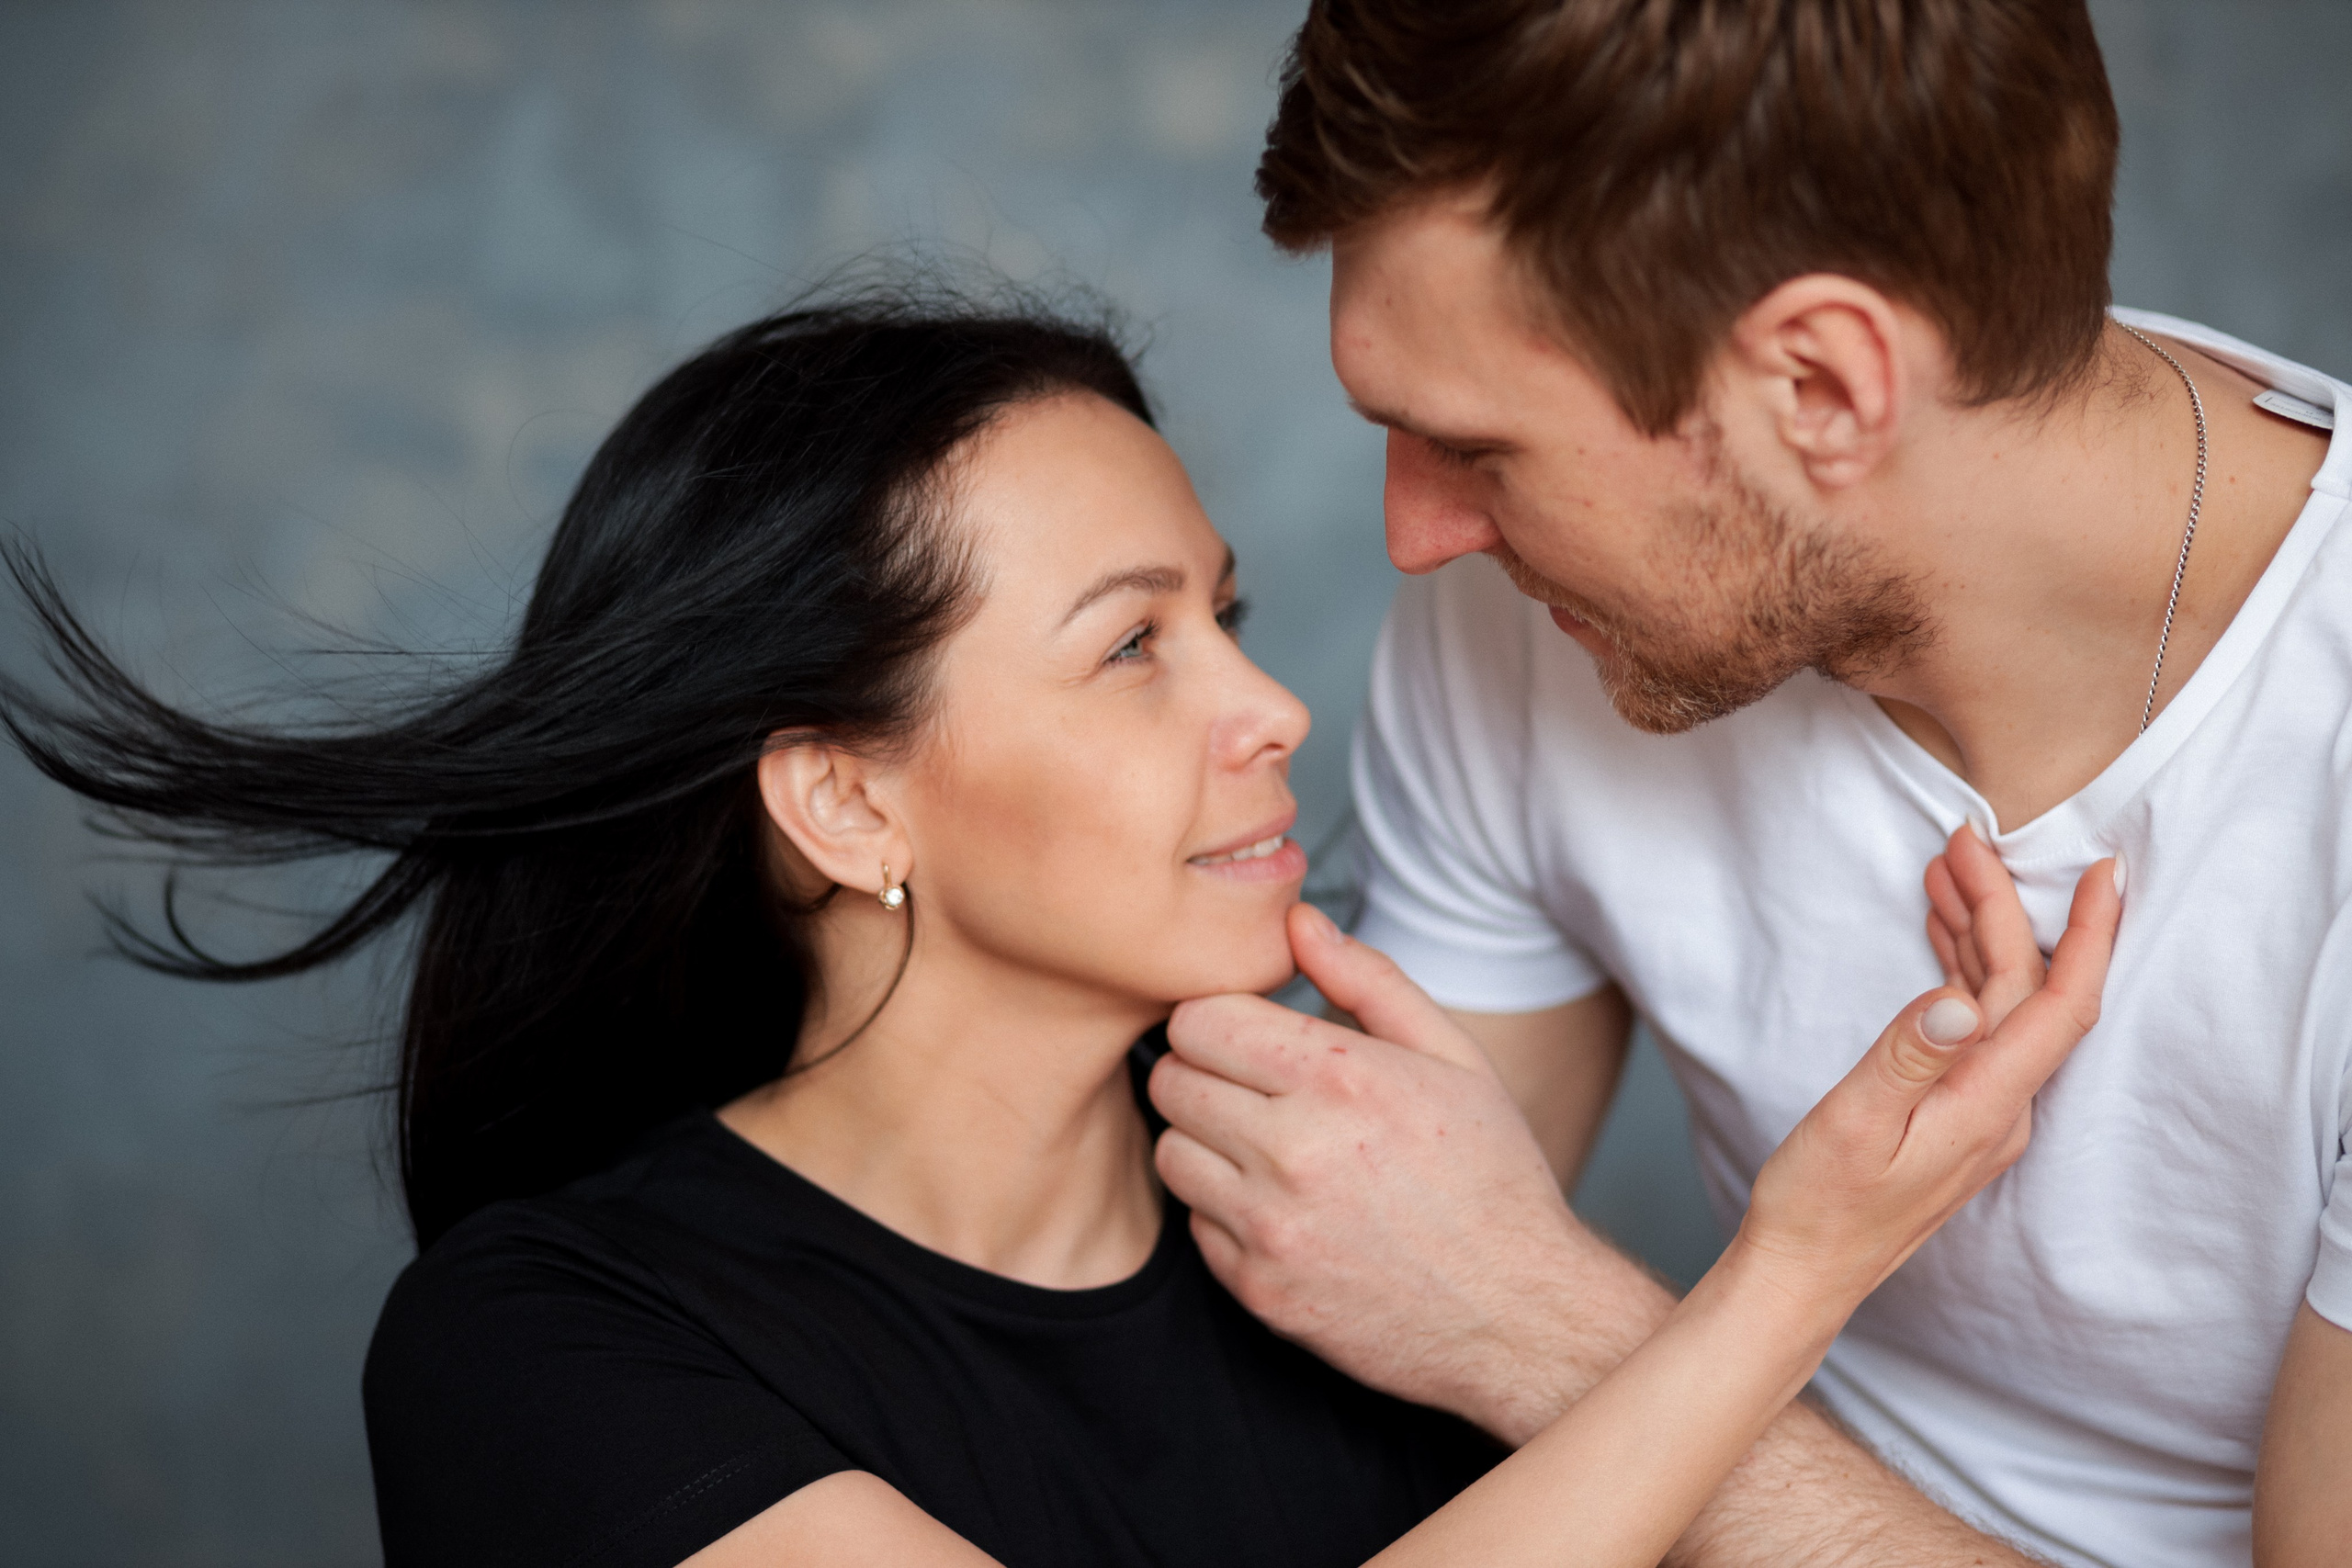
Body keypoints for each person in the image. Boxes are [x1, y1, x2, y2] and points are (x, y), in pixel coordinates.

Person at [3, 291, 2114, 1568]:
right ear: (843, 797)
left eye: (1231, 618)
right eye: (1133, 648)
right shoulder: (547, 1347)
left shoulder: (1359, 1265)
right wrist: (1799, 1261)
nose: (1272, 709)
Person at [1145, 3, 2352, 1566]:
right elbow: (1349, 1293)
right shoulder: (1535, 613)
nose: (1418, 536)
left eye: (1479, 449)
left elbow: (1459, 1287)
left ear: (1826, 386)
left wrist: (1545, 1327)